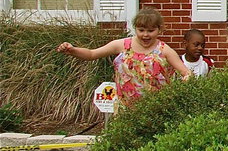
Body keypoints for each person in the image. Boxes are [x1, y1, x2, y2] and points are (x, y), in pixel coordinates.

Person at [57, 7, 190, 111]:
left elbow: (186, 73)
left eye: (150, 30)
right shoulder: (121, 45)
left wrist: (183, 85)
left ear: (159, 30)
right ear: (135, 28)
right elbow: (91, 54)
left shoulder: (164, 50)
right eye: (141, 30)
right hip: (125, 110)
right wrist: (72, 50)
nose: (145, 35)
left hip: (156, 111)